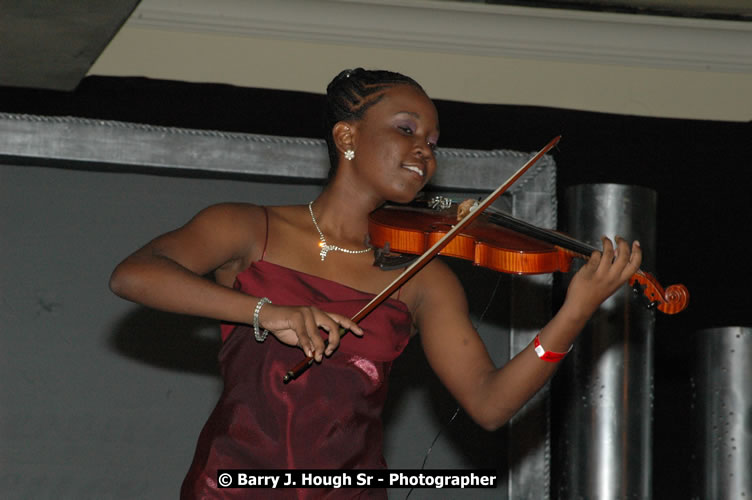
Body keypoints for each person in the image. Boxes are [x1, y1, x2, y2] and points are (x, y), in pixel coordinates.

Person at [109, 68, 641, 499]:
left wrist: (575, 312)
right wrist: (265, 312)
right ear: (346, 136)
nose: (425, 153)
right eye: (406, 130)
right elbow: (135, 274)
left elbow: (489, 402)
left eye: (432, 142)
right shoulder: (247, 227)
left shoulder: (423, 277)